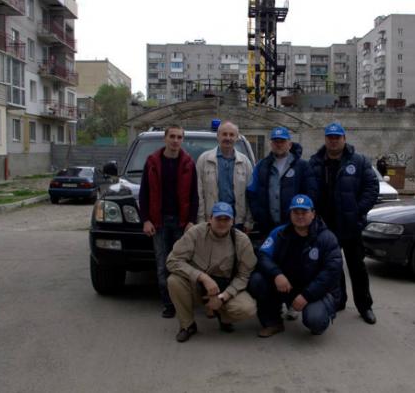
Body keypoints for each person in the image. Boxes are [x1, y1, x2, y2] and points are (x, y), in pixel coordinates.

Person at [309, 122, 379, 325]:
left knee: (357, 267)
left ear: (344, 139)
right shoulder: (315, 162)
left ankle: (365, 306)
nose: (333, 140)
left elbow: (371, 187)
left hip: (351, 225)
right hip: (325, 226)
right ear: (325, 139)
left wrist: (357, 211)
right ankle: (339, 300)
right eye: (330, 137)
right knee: (333, 267)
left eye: (337, 137)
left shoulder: (359, 161)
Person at [248, 195, 342, 337]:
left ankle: (318, 316)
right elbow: (263, 256)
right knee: (257, 281)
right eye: (295, 212)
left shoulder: (327, 238)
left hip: (313, 290)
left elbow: (331, 272)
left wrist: (306, 295)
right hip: (286, 285)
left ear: (313, 214)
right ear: (290, 214)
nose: (300, 216)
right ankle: (273, 322)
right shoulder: (279, 233)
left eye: (304, 212)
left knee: (316, 321)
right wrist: (277, 274)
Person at [166, 202, 257, 343]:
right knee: (174, 280)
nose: (222, 223)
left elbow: (244, 275)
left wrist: (223, 297)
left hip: (224, 287)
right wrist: (202, 277)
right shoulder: (195, 233)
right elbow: (172, 261)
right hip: (197, 284)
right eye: (218, 219)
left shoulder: (242, 241)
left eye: (226, 219)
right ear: (210, 219)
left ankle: (223, 317)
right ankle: (187, 325)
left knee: (247, 308)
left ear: (232, 221)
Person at [139, 124, 198, 319]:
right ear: (165, 138)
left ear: (183, 140)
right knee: (162, 264)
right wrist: (146, 219)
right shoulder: (153, 162)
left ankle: (183, 301)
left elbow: (194, 195)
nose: (175, 140)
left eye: (179, 137)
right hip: (159, 222)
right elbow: (144, 193)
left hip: (182, 223)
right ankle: (168, 304)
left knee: (182, 263)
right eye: (172, 136)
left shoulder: (189, 163)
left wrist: (191, 220)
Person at [246, 126, 317, 237]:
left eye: (282, 141)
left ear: (289, 144)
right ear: (271, 144)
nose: (279, 144)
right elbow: (252, 192)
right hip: (268, 226)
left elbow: (311, 193)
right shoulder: (261, 166)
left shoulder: (302, 166)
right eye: (275, 141)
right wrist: (259, 215)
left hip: (295, 226)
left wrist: (302, 217)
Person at [196, 121, 253, 231]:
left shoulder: (245, 162)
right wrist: (201, 220)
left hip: (237, 222)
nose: (228, 138)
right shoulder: (204, 159)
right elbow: (199, 192)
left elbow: (250, 194)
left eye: (232, 135)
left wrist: (248, 221)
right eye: (224, 134)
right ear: (218, 136)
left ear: (237, 137)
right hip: (211, 220)